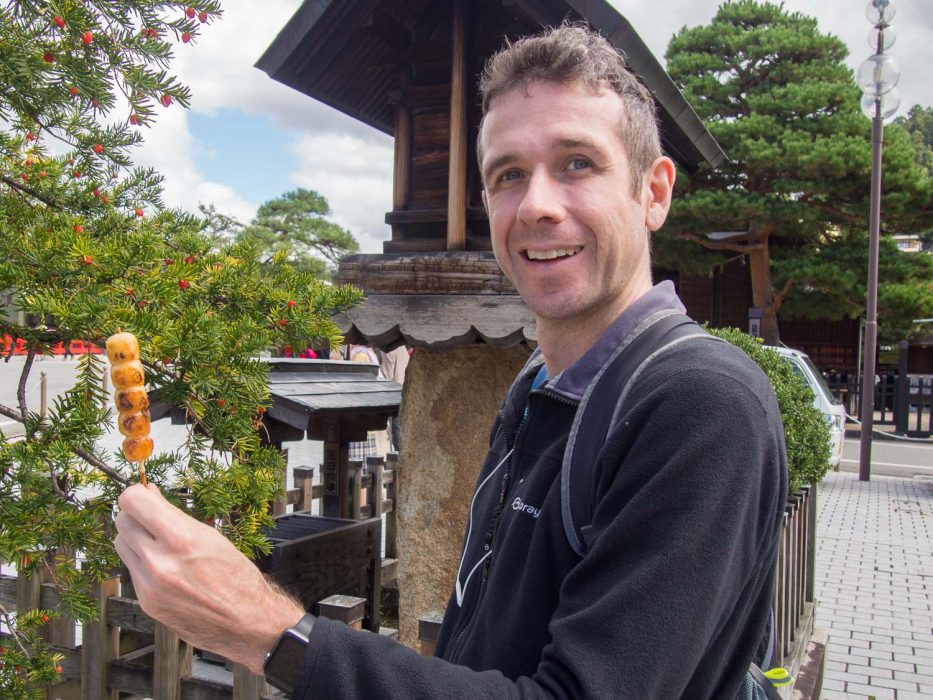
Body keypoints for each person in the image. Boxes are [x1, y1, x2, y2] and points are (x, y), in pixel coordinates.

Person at [114, 24, 787, 699]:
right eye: (507, 175)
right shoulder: (538, 389)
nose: (537, 206)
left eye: (577, 163)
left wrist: (265, 629)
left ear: (653, 192)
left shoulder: (699, 405)